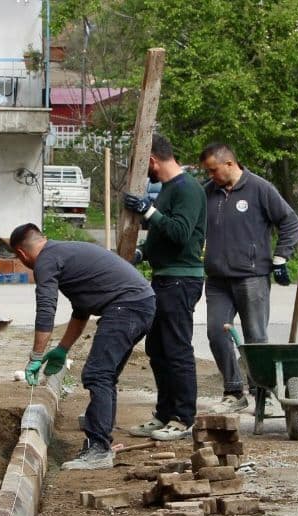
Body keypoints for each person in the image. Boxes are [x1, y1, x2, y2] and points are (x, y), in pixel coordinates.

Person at [11, 223, 155, 470]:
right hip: (140, 303)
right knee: (104, 375)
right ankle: (100, 439)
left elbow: (46, 309)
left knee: (98, 374)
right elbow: (82, 311)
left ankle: (98, 449)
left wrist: (36, 356)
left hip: (127, 306)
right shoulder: (65, 253)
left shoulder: (46, 261)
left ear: (22, 255)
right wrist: (62, 349)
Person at [198, 143, 298, 413]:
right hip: (218, 279)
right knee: (216, 334)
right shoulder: (207, 192)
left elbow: (290, 222)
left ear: (230, 164)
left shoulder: (260, 189)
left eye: (213, 170)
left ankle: (261, 393)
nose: (211, 176)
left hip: (252, 277)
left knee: (255, 338)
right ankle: (233, 391)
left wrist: (280, 258)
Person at [123, 134, 207, 442]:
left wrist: (148, 210)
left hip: (181, 279)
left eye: (141, 165)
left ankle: (183, 418)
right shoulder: (171, 190)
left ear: (153, 160)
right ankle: (163, 413)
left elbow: (181, 233)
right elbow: (162, 235)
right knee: (157, 348)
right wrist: (142, 253)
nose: (141, 172)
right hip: (164, 277)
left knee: (177, 349)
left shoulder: (188, 190)